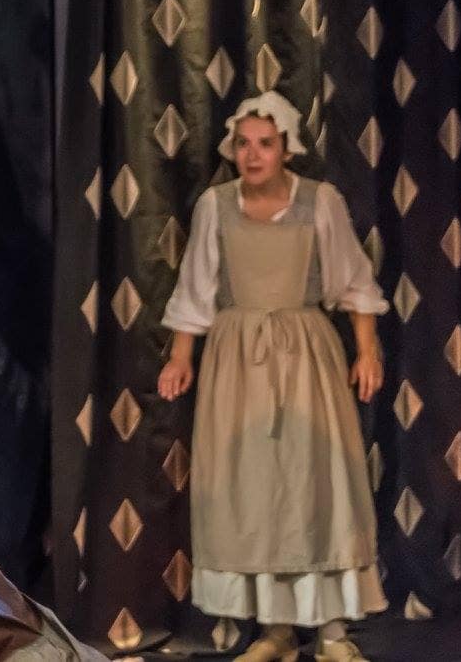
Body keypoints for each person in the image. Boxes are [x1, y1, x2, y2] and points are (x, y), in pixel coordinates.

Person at [157, 92, 389, 662]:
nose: (253, 154)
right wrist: (181, 356)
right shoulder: (215, 207)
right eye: (244, 144)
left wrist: (367, 351)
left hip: (306, 355)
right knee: (253, 488)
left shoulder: (320, 201)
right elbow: (194, 290)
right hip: (237, 361)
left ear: (286, 148)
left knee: (318, 484)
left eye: (265, 144)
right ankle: (276, 632)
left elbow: (355, 282)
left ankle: (333, 633)